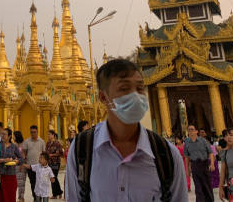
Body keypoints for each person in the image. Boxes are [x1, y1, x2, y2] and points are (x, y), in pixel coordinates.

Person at [65, 58, 187, 202]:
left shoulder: (167, 155)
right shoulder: (82, 151)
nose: (135, 95)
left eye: (140, 88)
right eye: (124, 88)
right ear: (103, 97)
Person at [184, 124, 215, 202]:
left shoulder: (203, 140)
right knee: (198, 187)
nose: (190, 131)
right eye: (189, 130)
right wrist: (187, 169)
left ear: (196, 131)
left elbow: (210, 153)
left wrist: (212, 164)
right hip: (194, 165)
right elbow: (187, 157)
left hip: (204, 164)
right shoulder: (187, 142)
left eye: (192, 129)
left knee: (206, 185)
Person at [22, 125, 45, 198]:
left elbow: (44, 153)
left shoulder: (42, 141)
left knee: (40, 182)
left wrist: (44, 163)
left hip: (40, 166)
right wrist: (22, 162)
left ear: (37, 132)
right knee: (33, 182)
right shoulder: (26, 141)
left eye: (34, 132)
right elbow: (24, 153)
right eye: (31, 132)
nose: (33, 134)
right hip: (30, 166)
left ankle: (40, 196)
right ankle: (35, 197)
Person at [45, 131, 63, 199]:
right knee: (52, 177)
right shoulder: (48, 143)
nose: (48, 136)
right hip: (49, 163)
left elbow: (61, 153)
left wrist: (52, 155)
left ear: (53, 135)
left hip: (55, 163)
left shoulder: (57, 143)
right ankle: (57, 193)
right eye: (48, 134)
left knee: (54, 177)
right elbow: (46, 151)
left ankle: (56, 193)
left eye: (49, 134)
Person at [13, 131, 26, 202]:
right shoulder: (14, 145)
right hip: (15, 165)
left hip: (21, 165)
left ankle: (21, 197)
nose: (13, 137)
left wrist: (21, 164)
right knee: (15, 182)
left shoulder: (23, 144)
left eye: (14, 136)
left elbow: (24, 156)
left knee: (21, 183)